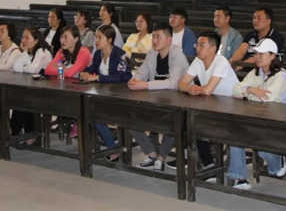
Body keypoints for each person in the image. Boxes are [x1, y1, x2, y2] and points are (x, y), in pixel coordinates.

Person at [227, 39, 286, 189]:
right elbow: (235, 90)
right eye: (256, 53)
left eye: (261, 54)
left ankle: (278, 163)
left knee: (262, 148)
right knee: (235, 134)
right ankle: (239, 178)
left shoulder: (281, 76)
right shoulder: (255, 73)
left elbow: (267, 98)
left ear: (272, 55)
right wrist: (252, 90)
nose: (257, 57)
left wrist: (247, 93)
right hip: (257, 117)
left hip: (279, 122)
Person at [128, 22, 189, 171]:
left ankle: (161, 158)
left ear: (169, 40)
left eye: (158, 37)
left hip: (177, 102)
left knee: (174, 123)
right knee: (128, 118)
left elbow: (173, 83)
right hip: (154, 100)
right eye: (153, 37)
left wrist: (146, 85)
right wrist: (135, 80)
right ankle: (151, 154)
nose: (155, 40)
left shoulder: (178, 55)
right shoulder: (152, 54)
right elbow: (141, 73)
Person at [178, 32, 239, 170]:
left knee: (196, 123)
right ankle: (204, 162)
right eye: (197, 45)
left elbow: (208, 90)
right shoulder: (198, 61)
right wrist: (189, 89)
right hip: (213, 105)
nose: (197, 48)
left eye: (202, 45)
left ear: (213, 48)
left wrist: (195, 88)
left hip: (232, 108)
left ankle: (207, 163)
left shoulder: (221, 61)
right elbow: (181, 84)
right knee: (188, 121)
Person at [81, 25, 131, 159]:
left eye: (99, 38)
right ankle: (111, 144)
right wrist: (84, 73)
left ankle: (113, 148)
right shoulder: (98, 54)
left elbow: (119, 77)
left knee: (95, 114)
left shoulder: (120, 55)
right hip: (104, 94)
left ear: (109, 40)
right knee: (88, 110)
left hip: (122, 96)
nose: (96, 41)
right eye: (96, 37)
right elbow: (91, 69)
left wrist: (97, 77)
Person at [10, 27, 54, 142]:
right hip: (30, 87)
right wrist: (24, 55)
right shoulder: (28, 53)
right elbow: (16, 67)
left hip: (45, 90)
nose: (23, 40)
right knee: (18, 98)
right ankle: (16, 132)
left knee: (25, 99)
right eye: (23, 37)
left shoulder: (42, 52)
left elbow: (32, 70)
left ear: (36, 40)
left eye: (27, 38)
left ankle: (29, 134)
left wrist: (24, 64)